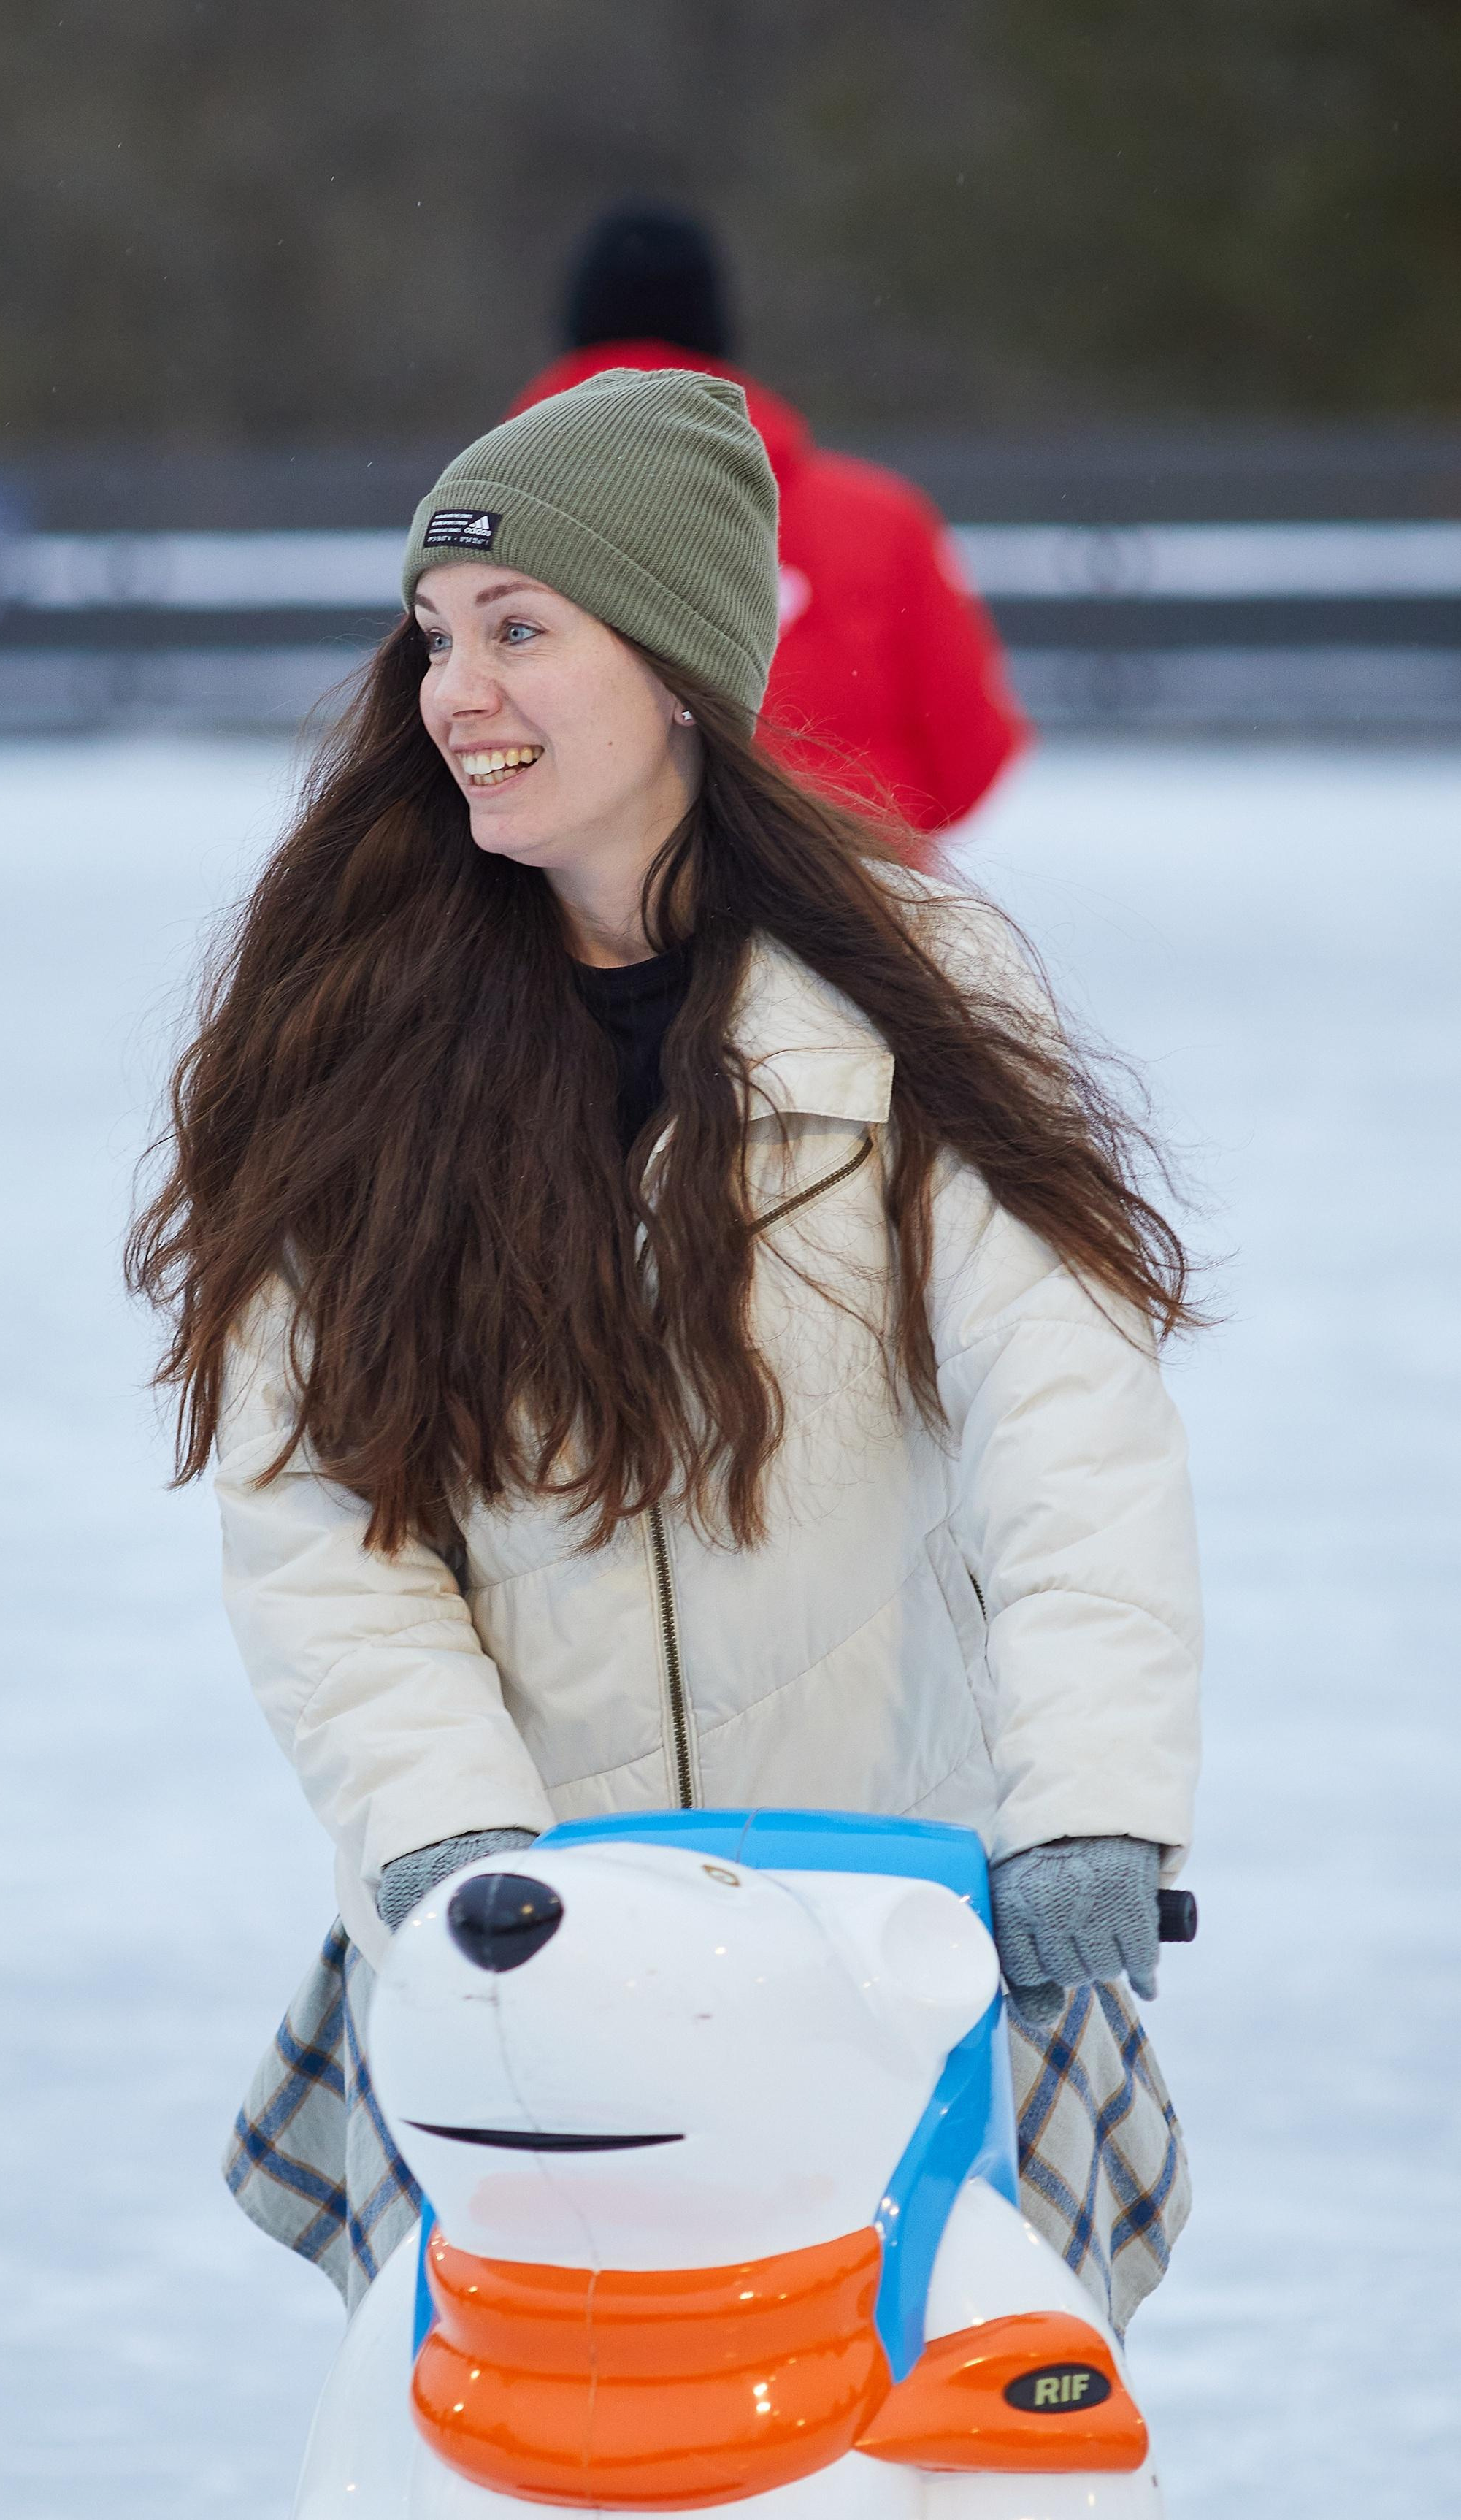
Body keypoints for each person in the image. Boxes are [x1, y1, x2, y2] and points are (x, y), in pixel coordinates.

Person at [129, 367, 1201, 2344]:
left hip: (896, 1921)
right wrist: (454, 1845)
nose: (459, 687)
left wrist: (1083, 1807)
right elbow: (314, 1513)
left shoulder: (916, 990)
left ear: (683, 667)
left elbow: (1073, 1416)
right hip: (532, 1948)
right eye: (439, 637)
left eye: (522, 629)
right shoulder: (351, 1036)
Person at [505, 204, 1029, 854]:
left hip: (583, 925)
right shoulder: (882, 519)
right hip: (850, 918)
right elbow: (968, 761)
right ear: (718, 335)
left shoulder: (486, 527)